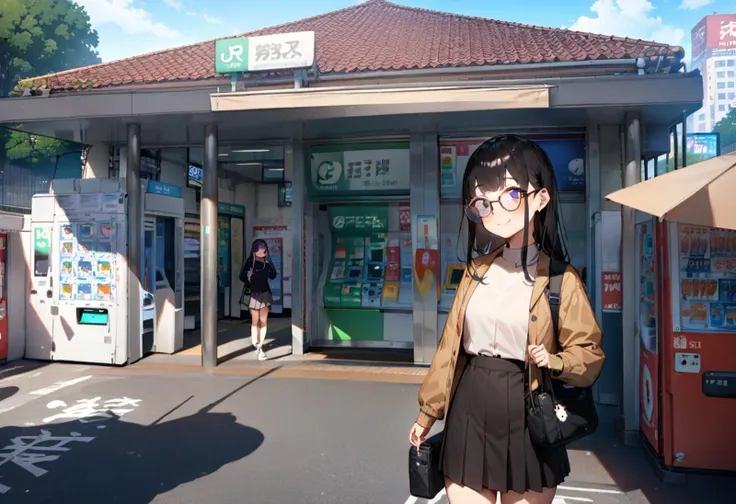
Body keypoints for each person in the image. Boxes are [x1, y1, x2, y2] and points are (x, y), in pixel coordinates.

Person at [408, 135, 605, 504]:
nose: (494, 209)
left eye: (511, 195)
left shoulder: (562, 279)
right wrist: (427, 414)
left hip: (530, 407)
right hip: (470, 406)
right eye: (483, 200)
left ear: (541, 198)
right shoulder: (475, 271)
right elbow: (449, 347)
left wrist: (556, 361)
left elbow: (590, 353)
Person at [241, 239, 277, 361]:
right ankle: (255, 343)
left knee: (264, 320)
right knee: (255, 320)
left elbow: (273, 275)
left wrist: (269, 264)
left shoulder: (267, 262)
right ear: (255, 249)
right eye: (260, 247)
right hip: (254, 294)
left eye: (264, 248)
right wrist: (248, 276)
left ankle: (260, 346)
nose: (263, 250)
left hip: (265, 293)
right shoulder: (250, 262)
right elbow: (242, 276)